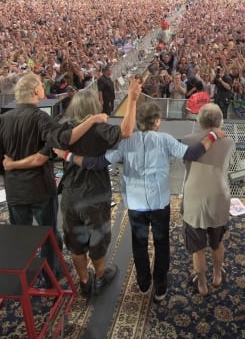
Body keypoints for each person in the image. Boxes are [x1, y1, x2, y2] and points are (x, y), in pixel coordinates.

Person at [61, 101, 226, 303]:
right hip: (159, 204)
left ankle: (144, 283)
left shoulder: (125, 142)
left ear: (137, 122)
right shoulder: (165, 139)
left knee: (139, 244)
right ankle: (161, 287)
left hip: (136, 204)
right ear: (157, 122)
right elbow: (193, 153)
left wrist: (68, 155)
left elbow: (97, 163)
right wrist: (213, 135)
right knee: (161, 243)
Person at [11, 78, 141, 297]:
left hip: (70, 194)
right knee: (98, 239)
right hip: (95, 195)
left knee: (75, 242)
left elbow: (47, 151)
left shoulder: (63, 130)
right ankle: (100, 276)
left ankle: (83, 281)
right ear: (93, 108)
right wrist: (133, 100)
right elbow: (126, 131)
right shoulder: (99, 128)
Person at [0, 73, 106, 280]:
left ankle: (23, 276)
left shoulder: (4, 119)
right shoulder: (41, 118)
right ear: (36, 91)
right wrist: (93, 120)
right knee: (48, 236)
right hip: (40, 189)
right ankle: (52, 274)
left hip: (15, 190)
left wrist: (11, 170)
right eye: (42, 87)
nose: (44, 89)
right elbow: (61, 142)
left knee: (21, 236)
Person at [181, 103, 235, 296]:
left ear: (200, 120)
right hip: (219, 196)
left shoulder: (186, 140)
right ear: (219, 120)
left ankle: (202, 284)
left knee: (198, 248)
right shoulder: (229, 142)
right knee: (216, 241)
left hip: (194, 199)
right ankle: (217, 274)